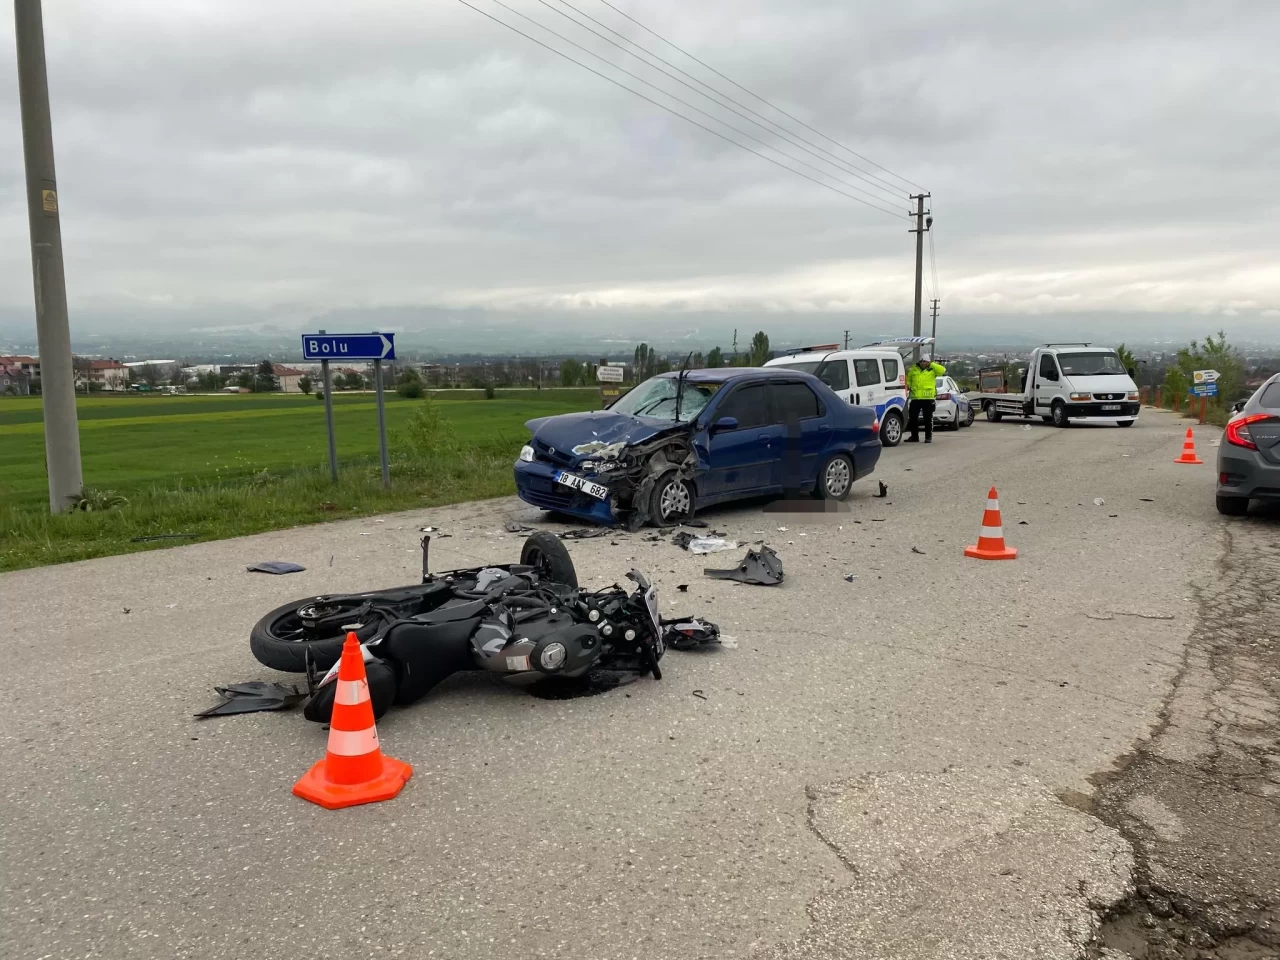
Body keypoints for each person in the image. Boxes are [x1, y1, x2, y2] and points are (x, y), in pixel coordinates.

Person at [905, 356, 946, 443]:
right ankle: (914, 436)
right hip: (915, 398)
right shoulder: (914, 370)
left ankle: (928, 437)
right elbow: (909, 380)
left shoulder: (932, 370)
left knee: (927, 419)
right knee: (913, 418)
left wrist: (932, 364)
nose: (923, 363)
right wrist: (908, 386)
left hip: (928, 398)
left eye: (925, 361)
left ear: (928, 362)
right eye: (922, 361)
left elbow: (942, 370)